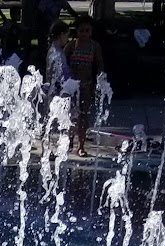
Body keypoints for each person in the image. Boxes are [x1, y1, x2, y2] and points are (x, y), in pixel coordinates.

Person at [66, 12, 103, 153]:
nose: (84, 34)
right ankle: (69, 141)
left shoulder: (94, 46)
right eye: (81, 30)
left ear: (91, 32)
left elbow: (100, 64)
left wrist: (99, 80)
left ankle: (81, 146)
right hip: (72, 86)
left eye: (87, 31)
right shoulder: (72, 45)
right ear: (77, 31)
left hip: (86, 86)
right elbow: (63, 63)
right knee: (70, 115)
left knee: (83, 116)